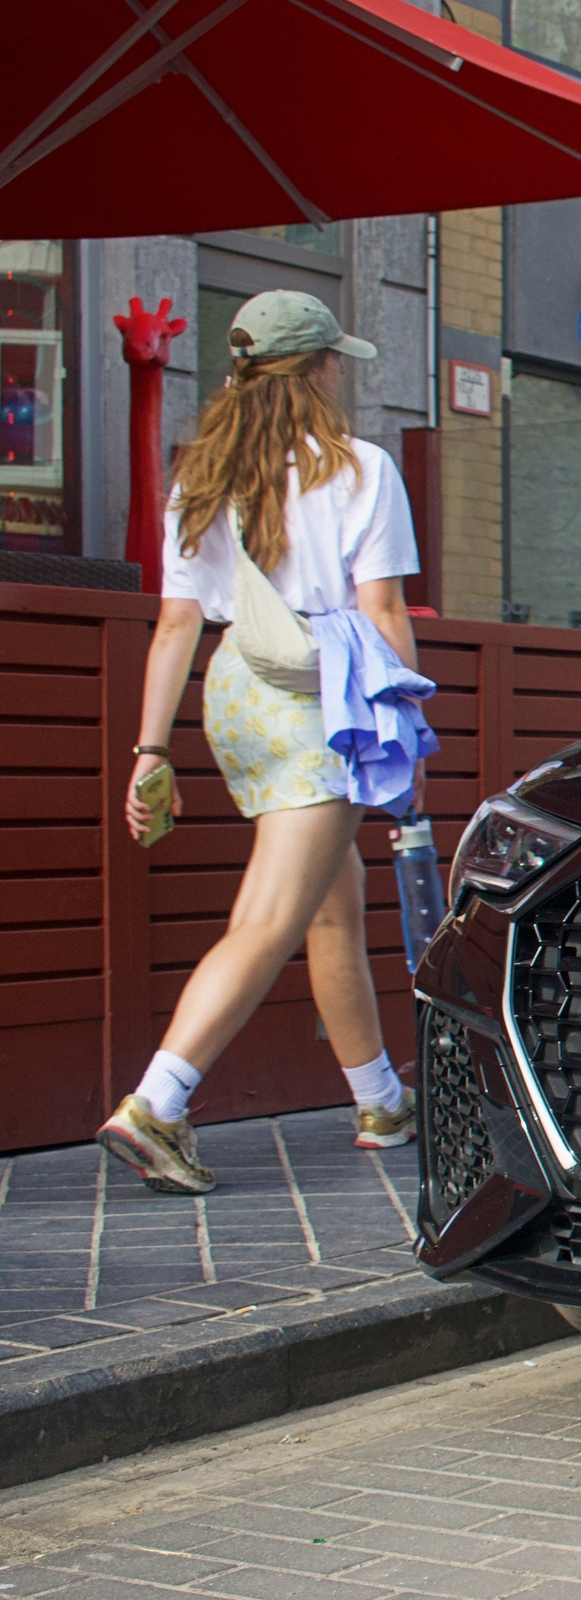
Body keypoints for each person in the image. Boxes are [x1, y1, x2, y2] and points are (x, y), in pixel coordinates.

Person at [98, 291, 426, 1195]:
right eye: (335, 362)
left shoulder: (202, 475)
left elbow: (175, 625)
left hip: (237, 694)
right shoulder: (360, 469)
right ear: (318, 370)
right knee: (268, 919)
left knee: (330, 904)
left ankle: (380, 1099)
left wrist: (150, 752)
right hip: (321, 697)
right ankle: (157, 1105)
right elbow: (384, 613)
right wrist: (404, 733)